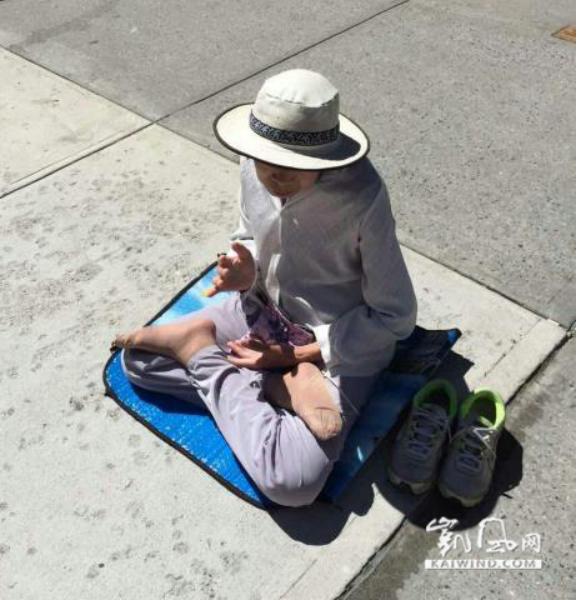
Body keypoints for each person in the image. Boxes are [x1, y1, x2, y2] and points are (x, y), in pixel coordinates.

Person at [114, 69, 418, 508]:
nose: (275, 175)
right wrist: (245, 269)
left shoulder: (362, 197)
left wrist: (297, 356)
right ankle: (272, 387)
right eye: (266, 160)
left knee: (292, 481)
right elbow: (248, 233)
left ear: (325, 157)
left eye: (294, 166)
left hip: (332, 342)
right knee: (138, 363)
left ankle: (214, 359)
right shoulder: (251, 162)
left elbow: (396, 317)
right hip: (262, 312)